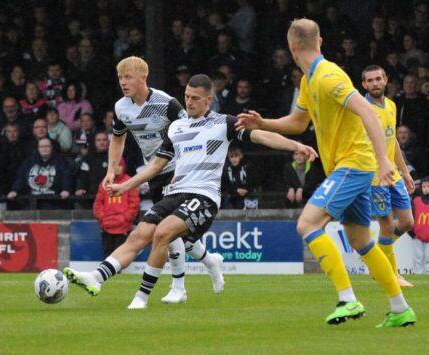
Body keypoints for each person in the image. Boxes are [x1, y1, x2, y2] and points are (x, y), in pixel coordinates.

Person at [237, 19, 416, 327]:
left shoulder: (329, 76)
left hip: (354, 163)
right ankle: (400, 310)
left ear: (292, 47)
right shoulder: (309, 80)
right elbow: (298, 123)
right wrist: (263, 123)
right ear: (318, 41)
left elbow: (367, 112)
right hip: (350, 165)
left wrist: (384, 162)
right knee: (359, 238)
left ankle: (347, 299)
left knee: (307, 224)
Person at [105, 74, 316, 309]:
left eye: (195, 98)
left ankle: (141, 298)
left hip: (204, 196)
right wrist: (125, 186)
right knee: (144, 233)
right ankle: (202, 267)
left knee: (163, 233)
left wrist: (296, 145)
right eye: (186, 97)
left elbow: (261, 136)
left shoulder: (223, 123)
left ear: (208, 99)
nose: (189, 102)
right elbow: (156, 166)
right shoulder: (176, 126)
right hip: (176, 193)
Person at [64, 57, 225, 306]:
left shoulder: (166, 104)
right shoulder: (121, 108)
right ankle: (210, 262)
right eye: (120, 78)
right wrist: (112, 169)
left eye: (128, 77)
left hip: (177, 171)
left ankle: (178, 287)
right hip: (153, 171)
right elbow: (118, 139)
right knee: (174, 236)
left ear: (143, 78)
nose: (123, 83)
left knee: (167, 233)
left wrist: (185, 166)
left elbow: (193, 129)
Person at [361, 65, 415, 288]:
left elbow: (392, 144)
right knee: (385, 225)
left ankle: (376, 259)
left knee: (407, 222)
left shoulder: (391, 106)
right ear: (364, 85)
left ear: (386, 81)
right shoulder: (361, 108)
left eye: (378, 79)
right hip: (374, 176)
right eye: (370, 80)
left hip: (393, 173)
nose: (375, 83)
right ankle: (391, 274)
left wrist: (405, 172)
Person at [7, 137, 72, 210]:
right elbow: (21, 178)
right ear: (38, 148)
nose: (44, 149)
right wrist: (15, 190)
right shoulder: (28, 162)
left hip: (54, 202)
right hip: (32, 201)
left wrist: (66, 189)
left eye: (47, 146)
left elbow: (66, 176)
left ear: (51, 147)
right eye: (42, 146)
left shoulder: (60, 161)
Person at [93, 159, 140, 258]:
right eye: (115, 165)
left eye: (120, 165)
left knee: (121, 254)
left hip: (123, 226)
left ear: (124, 167)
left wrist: (124, 218)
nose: (117, 168)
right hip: (107, 225)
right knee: (107, 252)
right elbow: (98, 203)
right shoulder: (105, 182)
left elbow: (134, 204)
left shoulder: (129, 182)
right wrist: (103, 218)